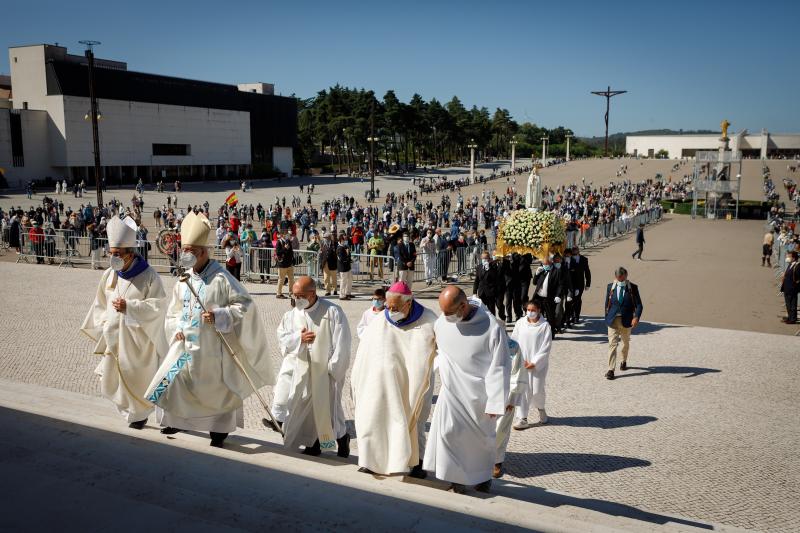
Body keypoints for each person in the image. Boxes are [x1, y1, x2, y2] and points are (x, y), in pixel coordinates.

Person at [152, 212, 274, 448]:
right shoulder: (184, 278)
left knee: (217, 389)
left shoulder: (222, 278)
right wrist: (176, 327)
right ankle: (176, 419)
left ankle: (218, 430)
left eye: (190, 251)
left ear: (203, 252)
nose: (185, 255)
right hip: (185, 344)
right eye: (183, 250)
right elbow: (174, 311)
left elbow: (246, 307)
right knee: (175, 379)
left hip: (212, 349)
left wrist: (220, 315)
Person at [80, 216, 168, 429]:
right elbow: (100, 301)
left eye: (118, 254)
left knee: (138, 378)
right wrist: (103, 322)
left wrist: (131, 307)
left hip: (138, 340)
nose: (114, 259)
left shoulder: (149, 275)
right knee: (114, 378)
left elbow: (158, 307)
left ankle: (140, 413)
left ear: (130, 253)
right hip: (114, 337)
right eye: (111, 254)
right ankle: (132, 414)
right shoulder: (110, 274)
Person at [423, 286, 510, 494]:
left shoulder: (491, 327)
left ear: (463, 305)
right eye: (443, 312)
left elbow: (500, 367)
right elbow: (439, 351)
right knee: (449, 433)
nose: (445, 317)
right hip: (451, 393)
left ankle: (482, 477)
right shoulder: (443, 323)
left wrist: (496, 402)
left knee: (479, 442)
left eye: (449, 312)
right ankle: (455, 479)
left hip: (478, 396)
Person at [352, 281, 437, 478]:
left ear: (408, 303)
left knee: (414, 420)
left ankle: (416, 462)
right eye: (388, 306)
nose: (390, 310)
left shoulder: (428, 320)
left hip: (410, 383)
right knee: (373, 417)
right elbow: (366, 349)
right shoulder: (382, 318)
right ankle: (370, 460)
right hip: (380, 383)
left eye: (395, 307)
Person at [274, 276, 352, 457]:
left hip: (324, 370)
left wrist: (333, 370)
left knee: (328, 410)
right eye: (293, 295)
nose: (296, 299)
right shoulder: (292, 314)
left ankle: (341, 438)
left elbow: (342, 343)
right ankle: (312, 443)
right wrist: (298, 339)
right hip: (300, 367)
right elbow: (282, 338)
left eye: (300, 295)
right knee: (300, 406)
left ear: (312, 293)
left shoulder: (332, 312)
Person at [511, 300, 552, 429]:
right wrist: (517, 359)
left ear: (539, 310)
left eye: (533, 310)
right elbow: (514, 341)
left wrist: (534, 362)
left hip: (538, 365)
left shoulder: (545, 326)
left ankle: (541, 408)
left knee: (537, 390)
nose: (530, 312)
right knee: (523, 389)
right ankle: (522, 418)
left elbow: (546, 347)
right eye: (528, 310)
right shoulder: (520, 323)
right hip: (522, 363)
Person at [493, 332, 527, 479]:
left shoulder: (513, 347)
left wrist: (512, 399)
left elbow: (518, 373)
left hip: (505, 394)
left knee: (501, 429)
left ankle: (496, 461)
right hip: (485, 393)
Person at [604, 266, 644, 380]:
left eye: (622, 279)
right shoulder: (610, 287)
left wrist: (636, 317)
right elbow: (607, 304)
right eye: (618, 278)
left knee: (625, 343)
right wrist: (606, 318)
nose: (620, 281)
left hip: (626, 320)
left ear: (626, 276)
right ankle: (611, 370)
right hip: (613, 320)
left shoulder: (633, 288)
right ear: (615, 277)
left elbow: (639, 305)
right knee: (612, 344)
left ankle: (623, 360)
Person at [532, 255, 570, 337]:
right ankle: (538, 333)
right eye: (543, 264)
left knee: (550, 316)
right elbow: (534, 283)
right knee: (538, 316)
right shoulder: (541, 270)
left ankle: (551, 333)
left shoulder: (557, 271)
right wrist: (536, 273)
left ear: (551, 263)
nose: (544, 266)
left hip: (549, 298)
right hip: (539, 297)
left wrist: (558, 295)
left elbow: (560, 285)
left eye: (546, 264)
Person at [473, 250, 501, 315]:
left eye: (486, 258)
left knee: (491, 310)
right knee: (481, 311)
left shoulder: (493, 266)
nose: (484, 260)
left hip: (490, 292)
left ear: (489, 259)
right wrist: (474, 292)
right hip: (481, 292)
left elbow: (495, 277)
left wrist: (489, 269)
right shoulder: (479, 267)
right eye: (483, 258)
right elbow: (477, 280)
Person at [569, 246, 591, 324]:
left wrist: (588, 283)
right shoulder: (569, 258)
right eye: (573, 249)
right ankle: (570, 315)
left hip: (580, 284)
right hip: (570, 284)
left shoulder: (584, 259)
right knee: (570, 300)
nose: (574, 251)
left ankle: (576, 317)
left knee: (577, 300)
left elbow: (587, 272)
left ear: (578, 250)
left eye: (576, 249)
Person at [780, 251, 799, 324]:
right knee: (788, 304)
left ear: (793, 258)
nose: (787, 258)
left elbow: (798, 279)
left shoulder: (797, 266)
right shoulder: (790, 264)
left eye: (789, 256)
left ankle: (792, 319)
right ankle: (789, 317)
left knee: (792, 304)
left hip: (792, 288)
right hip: (787, 287)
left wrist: (796, 287)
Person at [275, 232, 294, 299]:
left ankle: (291, 292)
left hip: (289, 264)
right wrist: (285, 248)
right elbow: (278, 253)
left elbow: (291, 251)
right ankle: (279, 293)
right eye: (287, 234)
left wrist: (292, 260)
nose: (288, 235)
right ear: (282, 235)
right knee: (281, 279)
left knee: (291, 279)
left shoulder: (288, 241)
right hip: (282, 264)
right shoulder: (279, 242)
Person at [337, 234, 353, 300]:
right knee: (343, 281)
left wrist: (349, 258)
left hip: (348, 267)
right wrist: (347, 257)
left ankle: (348, 293)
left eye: (346, 239)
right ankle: (342, 295)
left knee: (349, 280)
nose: (346, 241)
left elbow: (349, 255)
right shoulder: (339, 248)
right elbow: (341, 258)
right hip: (343, 267)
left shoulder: (345, 246)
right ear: (341, 240)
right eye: (344, 239)